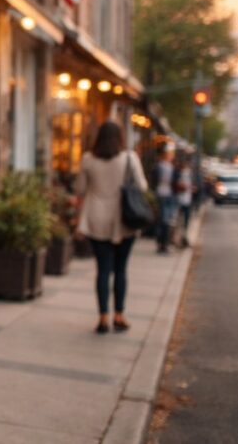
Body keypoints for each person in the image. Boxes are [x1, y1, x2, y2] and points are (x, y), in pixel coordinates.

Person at [74, 121, 147, 334]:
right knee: (121, 269)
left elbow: (79, 188)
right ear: (120, 137)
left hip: (96, 218)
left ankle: (103, 317)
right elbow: (142, 186)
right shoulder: (129, 158)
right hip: (123, 219)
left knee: (103, 270)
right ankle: (120, 315)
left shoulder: (88, 159)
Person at [153, 147, 177, 253]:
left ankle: (165, 243)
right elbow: (154, 180)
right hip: (161, 194)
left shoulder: (172, 167)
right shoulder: (159, 167)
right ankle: (161, 243)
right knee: (163, 221)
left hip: (169, 195)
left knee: (167, 221)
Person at [175, 159, 193, 248]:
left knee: (183, 222)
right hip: (182, 201)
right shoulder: (183, 174)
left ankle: (182, 239)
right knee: (182, 222)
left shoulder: (185, 174)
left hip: (185, 200)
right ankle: (180, 239)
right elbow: (182, 186)